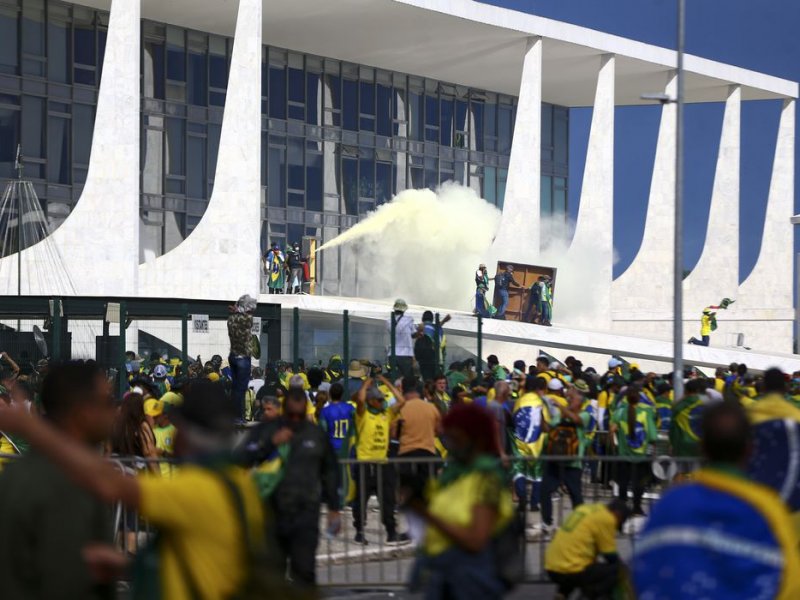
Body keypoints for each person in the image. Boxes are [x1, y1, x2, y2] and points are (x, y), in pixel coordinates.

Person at [0, 379, 268, 600]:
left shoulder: (196, 490)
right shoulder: (239, 483)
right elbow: (207, 560)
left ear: (185, 435)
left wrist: (30, 428)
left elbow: (107, 482)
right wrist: (126, 566)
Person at [633, 401, 800, 599]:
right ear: (750, 449)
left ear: (702, 447)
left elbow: (641, 573)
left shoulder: (671, 505)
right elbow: (790, 586)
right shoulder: (769, 508)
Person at [0, 361, 116, 600]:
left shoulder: (30, 471)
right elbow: (65, 580)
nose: (112, 412)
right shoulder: (64, 481)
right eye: (106, 402)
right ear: (82, 411)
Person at [407, 403, 514, 599]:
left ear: (477, 439)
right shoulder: (454, 475)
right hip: (443, 577)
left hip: (471, 578)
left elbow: (475, 541)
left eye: (457, 438)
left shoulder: (486, 477)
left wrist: (425, 514)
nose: (451, 444)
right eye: (449, 437)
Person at [239, 387, 340, 586]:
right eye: (291, 414)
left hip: (305, 512)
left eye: (299, 415)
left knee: (304, 572)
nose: (294, 419)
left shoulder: (315, 434)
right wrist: (269, 443)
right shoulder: (268, 429)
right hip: (271, 512)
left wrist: (334, 508)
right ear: (284, 410)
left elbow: (330, 471)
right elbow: (242, 458)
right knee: (271, 575)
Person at [352, 377, 408, 545]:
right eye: (379, 400)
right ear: (371, 401)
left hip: (382, 464)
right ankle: (359, 532)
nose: (383, 402)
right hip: (365, 464)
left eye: (383, 399)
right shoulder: (363, 414)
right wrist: (366, 384)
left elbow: (401, 401)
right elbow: (360, 400)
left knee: (388, 499)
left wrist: (387, 382)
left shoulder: (386, 414)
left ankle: (391, 533)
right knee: (361, 500)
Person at [545, 499, 630, 599]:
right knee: (616, 571)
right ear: (618, 515)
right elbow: (610, 555)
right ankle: (587, 596)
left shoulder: (585, 509)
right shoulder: (607, 518)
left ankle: (562, 594)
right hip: (570, 570)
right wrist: (625, 568)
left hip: (551, 566)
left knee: (581, 563)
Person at [540, 381, 591, 534]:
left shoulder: (585, 415)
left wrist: (560, 406)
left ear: (580, 403)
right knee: (545, 490)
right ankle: (546, 522)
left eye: (572, 400)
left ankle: (581, 523)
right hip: (555, 460)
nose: (569, 402)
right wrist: (542, 419)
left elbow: (577, 420)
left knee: (576, 494)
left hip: (573, 462)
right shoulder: (561, 415)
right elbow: (549, 429)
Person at [609, 384, 657, 515]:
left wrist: (614, 445)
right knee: (639, 483)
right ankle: (637, 506)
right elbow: (653, 436)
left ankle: (622, 507)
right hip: (641, 456)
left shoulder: (620, 411)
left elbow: (612, 429)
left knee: (623, 482)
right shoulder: (646, 412)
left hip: (624, 454)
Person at [510, 375, 552, 512]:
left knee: (518, 471)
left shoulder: (519, 401)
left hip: (519, 442)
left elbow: (513, 420)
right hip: (537, 443)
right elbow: (546, 425)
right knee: (537, 475)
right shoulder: (541, 403)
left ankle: (522, 496)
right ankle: (534, 503)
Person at [397, 375, 442, 465]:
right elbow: (439, 430)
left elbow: (394, 433)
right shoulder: (431, 408)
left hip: (406, 454)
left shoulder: (400, 408)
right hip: (428, 453)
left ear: (402, 388)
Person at [228, 294, 256, 421]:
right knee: (241, 389)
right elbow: (248, 319)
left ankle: (234, 415)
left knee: (235, 388)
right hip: (243, 357)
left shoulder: (231, 319)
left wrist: (237, 311)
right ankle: (238, 416)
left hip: (233, 355)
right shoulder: (246, 319)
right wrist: (240, 310)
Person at [146, 398, 177, 478]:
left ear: (165, 415)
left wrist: (163, 453)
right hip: (155, 478)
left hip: (171, 478)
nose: (153, 418)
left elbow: (181, 458)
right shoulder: (152, 430)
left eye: (156, 416)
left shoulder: (175, 432)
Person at [387, 298, 417, 379]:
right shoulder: (409, 320)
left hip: (392, 354)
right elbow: (413, 334)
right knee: (407, 379)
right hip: (406, 354)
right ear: (404, 309)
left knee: (395, 378)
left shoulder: (389, 321)